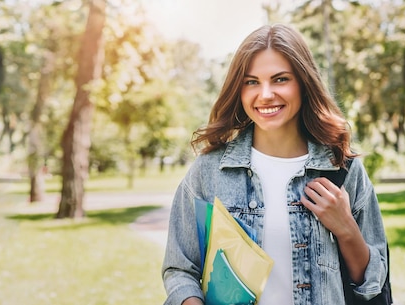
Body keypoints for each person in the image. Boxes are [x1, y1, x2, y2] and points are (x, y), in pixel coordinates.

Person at [162, 23, 389, 305]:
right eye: (252, 81)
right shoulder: (209, 172)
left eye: (280, 79)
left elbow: (371, 284)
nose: (265, 94)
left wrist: (346, 230)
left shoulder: (342, 169)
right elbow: (180, 269)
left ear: (304, 83)